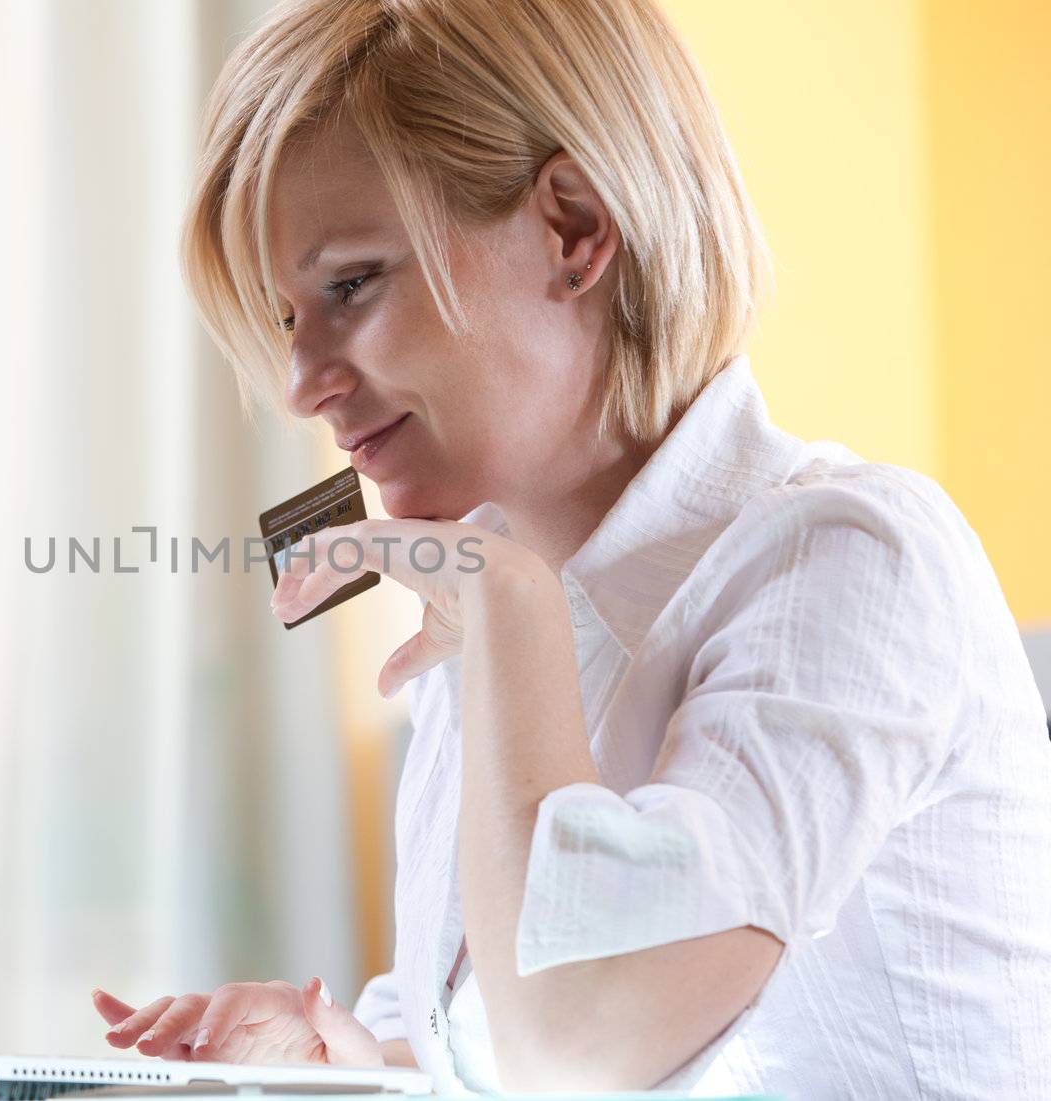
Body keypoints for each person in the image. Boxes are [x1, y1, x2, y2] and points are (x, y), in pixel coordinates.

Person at [92, 0, 1051, 1093]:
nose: (302, 382)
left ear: (572, 229)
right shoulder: (485, 638)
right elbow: (504, 1051)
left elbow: (582, 1041)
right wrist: (342, 1059)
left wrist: (507, 605)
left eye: (349, 285)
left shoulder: (854, 563)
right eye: (283, 322)